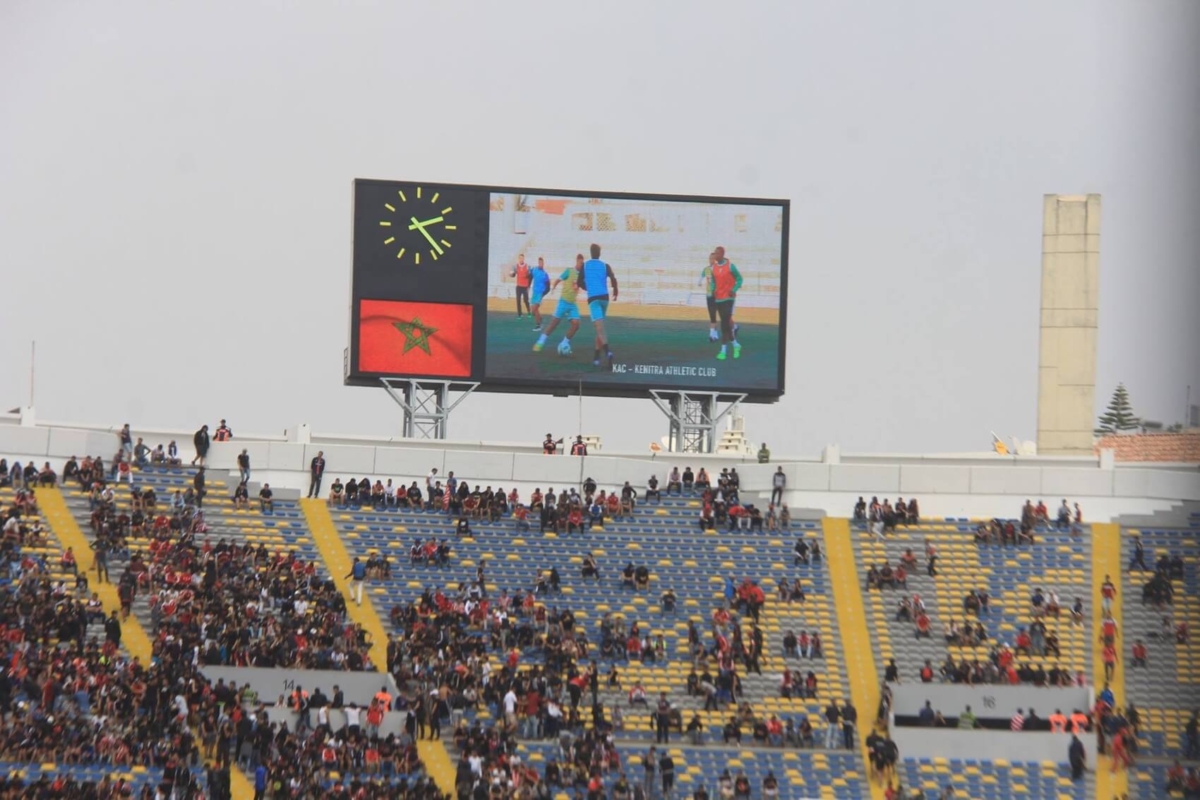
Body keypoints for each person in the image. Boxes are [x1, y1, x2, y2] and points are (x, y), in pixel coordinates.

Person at [577, 243, 619, 369]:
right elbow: (613, 277)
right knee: (599, 328)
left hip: (594, 298)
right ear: (599, 253)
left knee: (599, 329)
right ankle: (596, 358)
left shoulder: (585, 265)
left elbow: (579, 282)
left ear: (590, 253)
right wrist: (615, 290)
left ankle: (608, 352)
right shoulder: (605, 265)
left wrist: (587, 287)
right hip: (604, 298)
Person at [710, 245, 743, 361]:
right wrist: (713, 289)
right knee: (726, 323)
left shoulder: (730, 266)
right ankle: (735, 345)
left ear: (722, 254)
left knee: (724, 324)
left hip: (729, 299)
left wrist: (734, 289)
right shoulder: (713, 268)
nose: (715, 255)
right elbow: (713, 281)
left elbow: (739, 279)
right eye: (715, 253)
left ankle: (723, 351)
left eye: (717, 253)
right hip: (719, 299)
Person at [510, 253, 532, 318]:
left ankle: (529, 312)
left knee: (526, 300)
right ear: (518, 259)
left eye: (522, 258)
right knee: (518, 300)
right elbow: (513, 275)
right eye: (520, 258)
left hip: (525, 286)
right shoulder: (516, 266)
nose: (521, 259)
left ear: (523, 259)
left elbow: (530, 276)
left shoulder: (527, 266)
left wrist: (528, 285)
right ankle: (520, 314)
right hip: (519, 286)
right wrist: (511, 275)